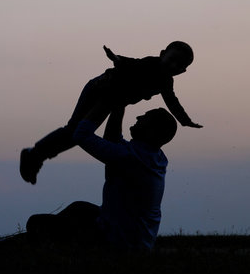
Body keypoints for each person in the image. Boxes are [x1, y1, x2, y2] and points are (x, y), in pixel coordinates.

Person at [20, 41, 200, 184]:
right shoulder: (151, 63)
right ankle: (35, 155)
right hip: (100, 89)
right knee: (75, 130)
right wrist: (117, 59)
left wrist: (184, 120)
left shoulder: (166, 83)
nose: (173, 65)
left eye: (179, 65)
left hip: (112, 100)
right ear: (162, 55)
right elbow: (132, 64)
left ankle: (37, 156)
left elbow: (172, 102)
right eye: (172, 59)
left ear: (183, 71)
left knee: (76, 134)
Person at [26, 104, 177, 251]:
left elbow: (81, 135)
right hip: (139, 241)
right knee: (79, 208)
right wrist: (118, 106)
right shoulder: (154, 158)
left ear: (151, 132)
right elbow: (112, 141)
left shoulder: (129, 158)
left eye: (146, 117)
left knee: (35, 222)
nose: (139, 116)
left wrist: (106, 102)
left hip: (119, 243)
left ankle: (48, 244)